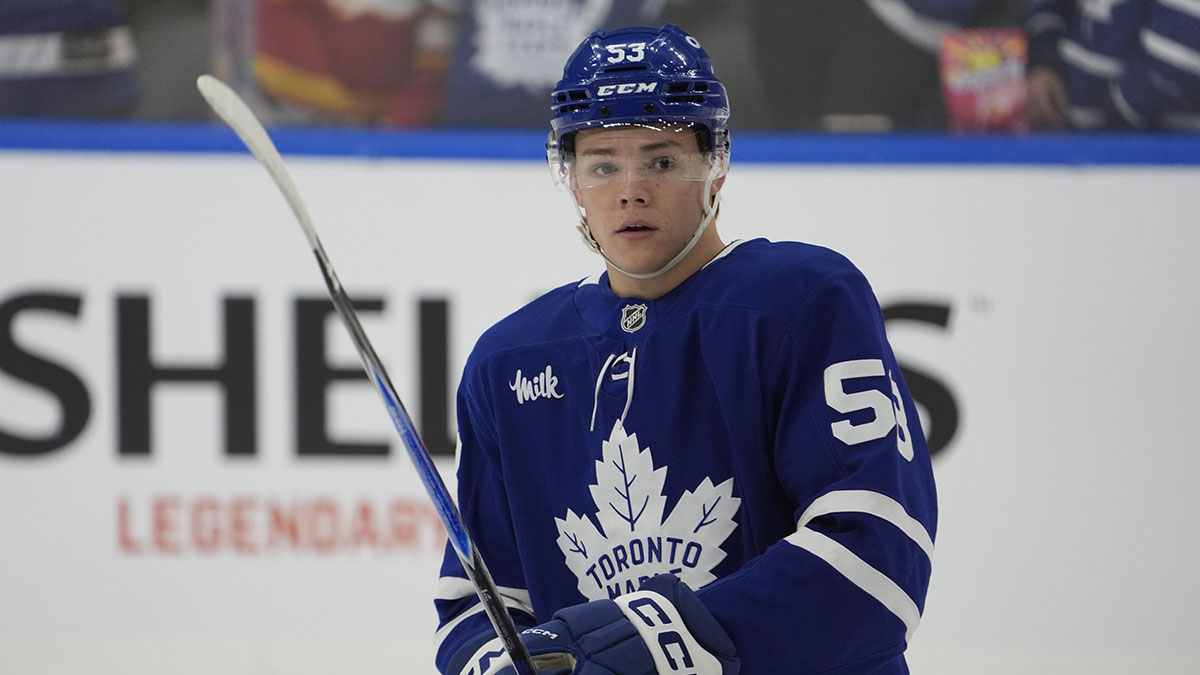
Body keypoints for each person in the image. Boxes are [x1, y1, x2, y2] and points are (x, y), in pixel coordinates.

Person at [433, 24, 938, 674]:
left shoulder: (801, 300)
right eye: (603, 163)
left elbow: (880, 562)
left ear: (716, 164)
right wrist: (498, 665)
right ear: (570, 175)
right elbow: (479, 602)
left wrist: (668, 640)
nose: (630, 189)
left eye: (662, 159)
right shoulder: (510, 362)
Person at [1023, 0, 1200, 130]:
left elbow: (1171, 72)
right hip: (1069, 139)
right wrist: (1043, 60)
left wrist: (1093, 126)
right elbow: (1048, 8)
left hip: (1152, 157)